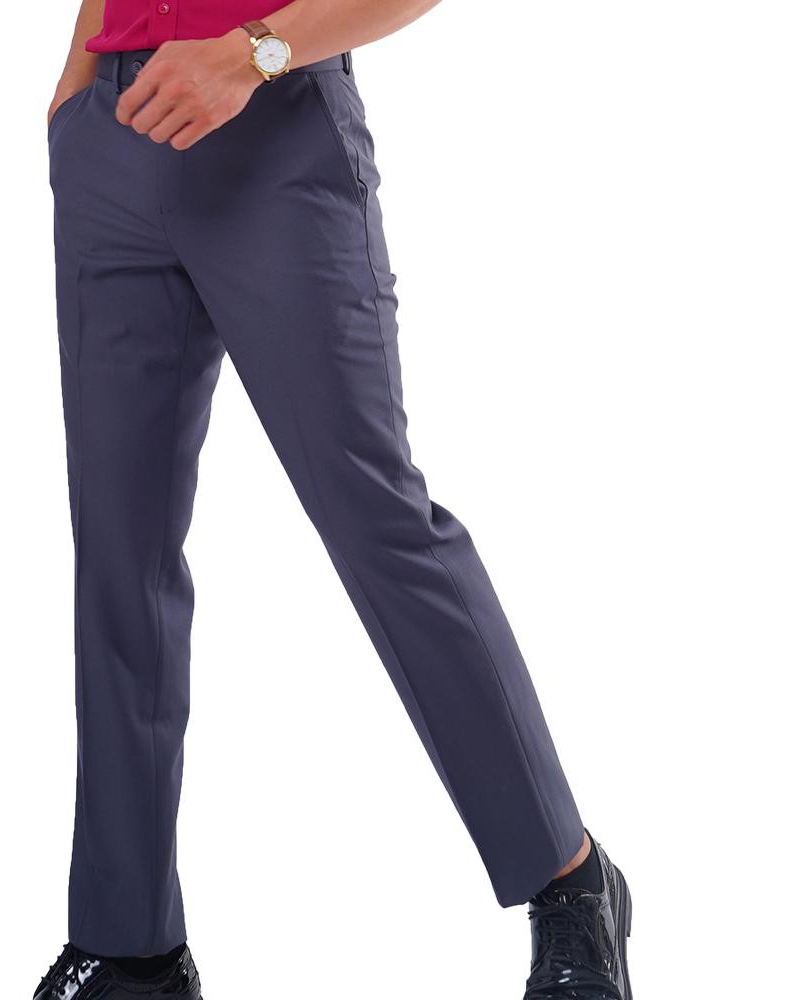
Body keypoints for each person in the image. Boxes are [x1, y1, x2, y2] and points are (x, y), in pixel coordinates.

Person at [35, 1, 633, 997]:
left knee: (376, 519)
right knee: (117, 552)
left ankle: (571, 881)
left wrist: (250, 56)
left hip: (273, 131)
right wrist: (75, 81)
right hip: (114, 136)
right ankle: (129, 946)